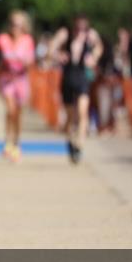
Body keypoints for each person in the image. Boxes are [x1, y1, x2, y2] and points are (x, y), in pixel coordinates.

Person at [50, 14, 102, 164]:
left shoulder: (91, 35)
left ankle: (79, 145)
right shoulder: (65, 34)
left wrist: (94, 58)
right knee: (70, 117)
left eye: (83, 26)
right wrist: (57, 55)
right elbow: (51, 48)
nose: (80, 29)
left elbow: (99, 47)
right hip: (68, 77)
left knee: (83, 112)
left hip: (82, 78)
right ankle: (70, 141)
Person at [0, 11, 35, 161]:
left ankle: (16, 142)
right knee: (10, 109)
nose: (15, 27)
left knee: (18, 113)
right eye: (13, 24)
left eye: (18, 25)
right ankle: (7, 141)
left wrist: (24, 62)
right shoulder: (2, 39)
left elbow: (30, 61)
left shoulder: (28, 40)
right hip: (6, 79)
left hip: (21, 79)